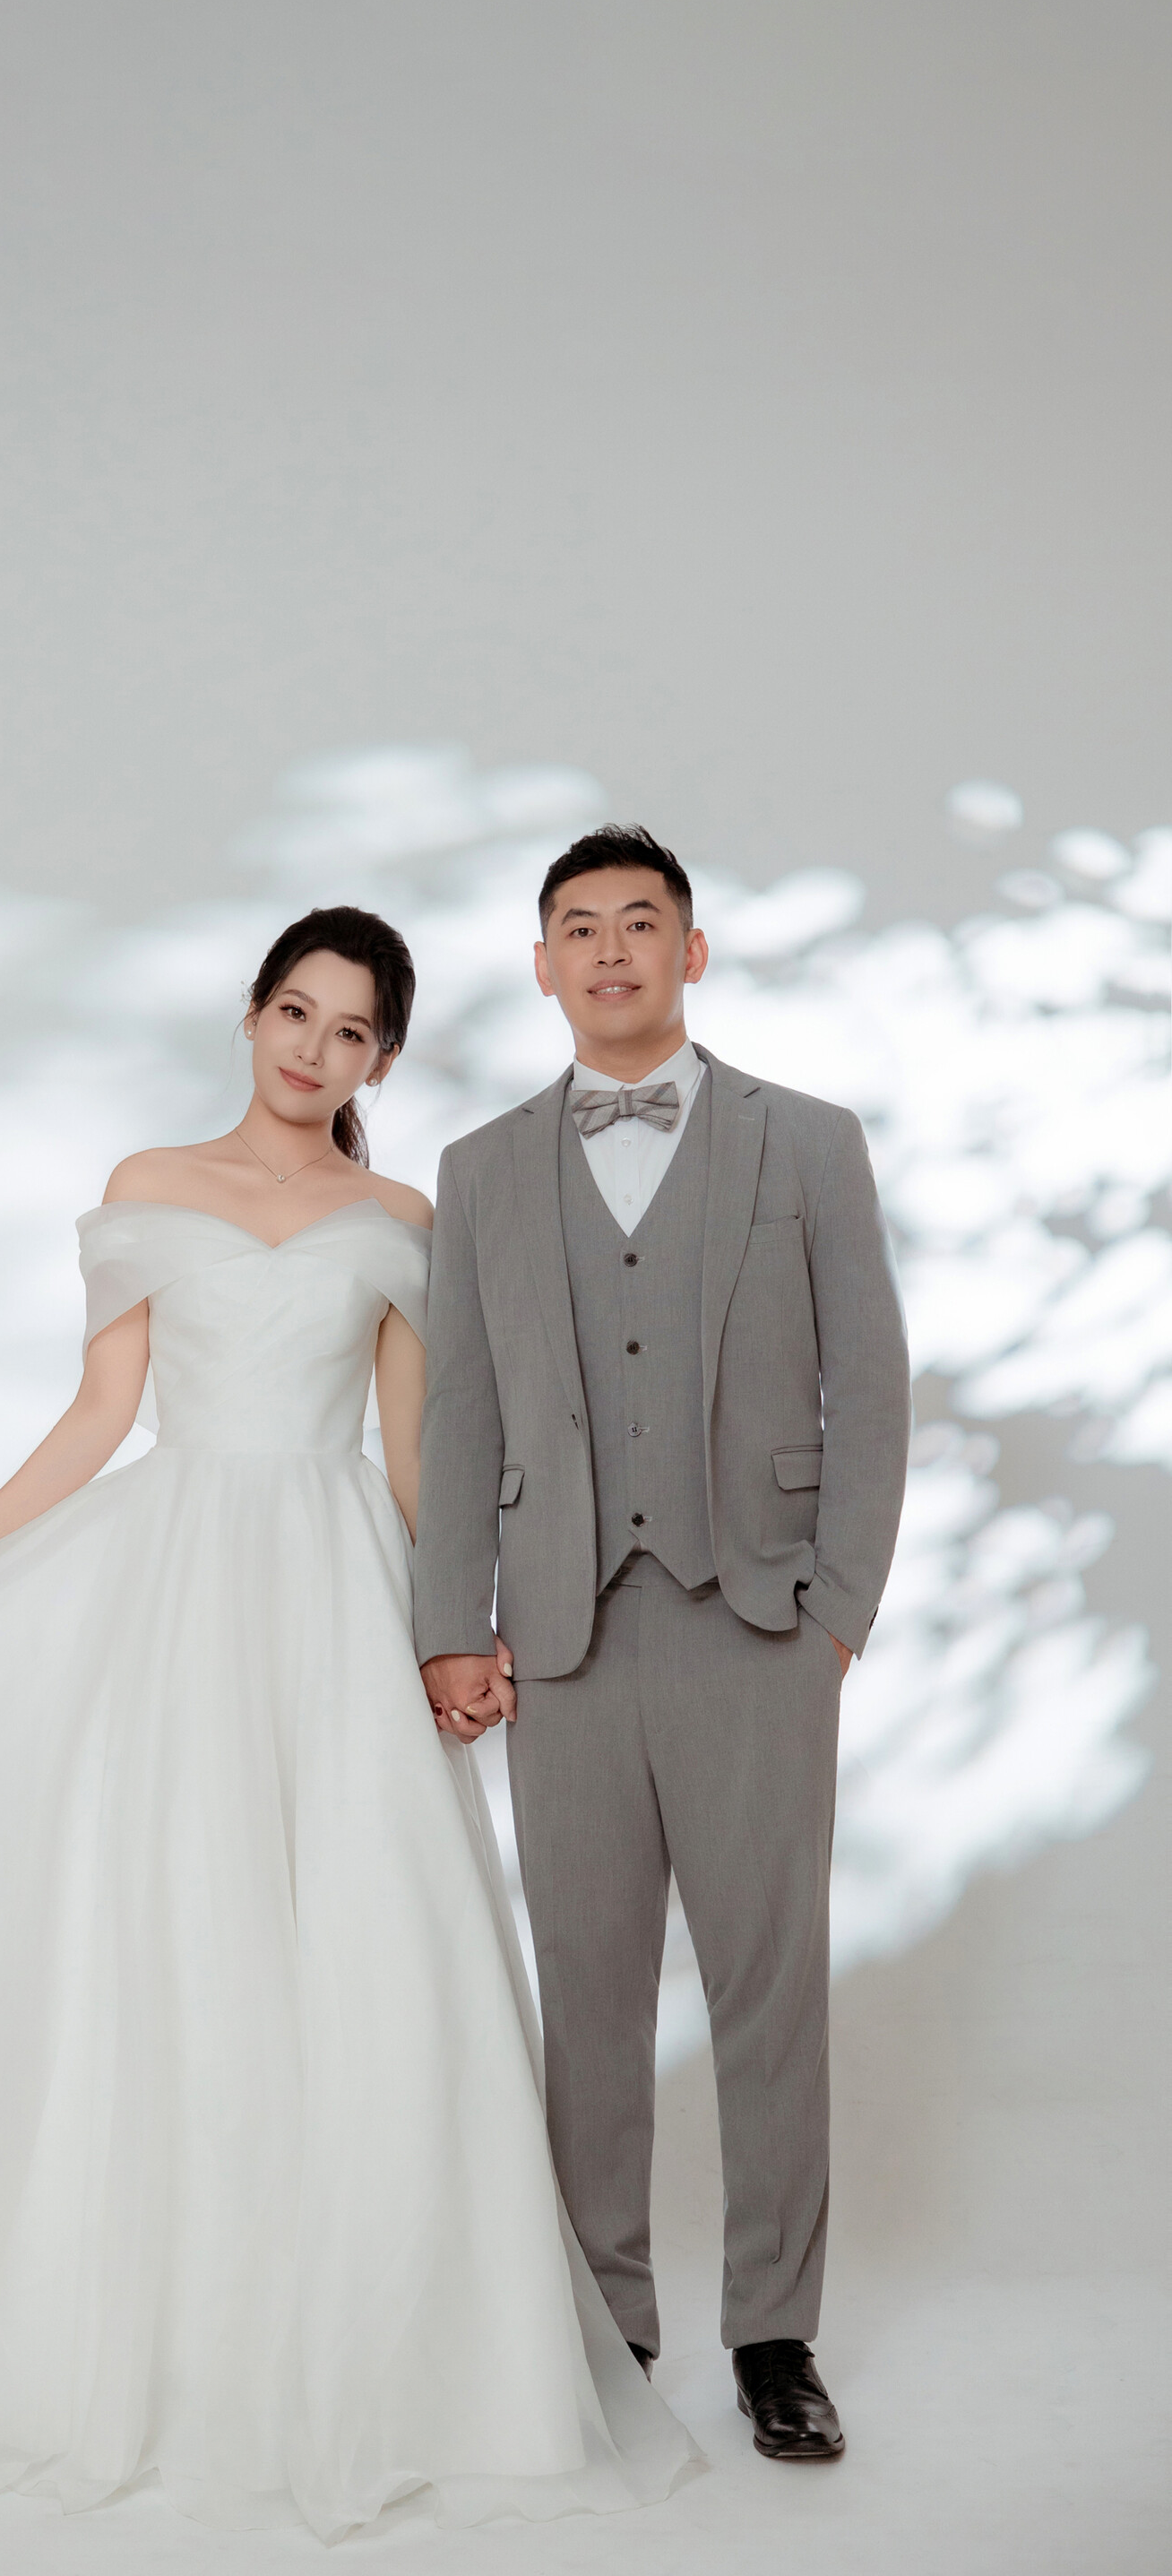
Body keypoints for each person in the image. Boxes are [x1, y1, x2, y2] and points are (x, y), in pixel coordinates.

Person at [0, 903, 698, 2541]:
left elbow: (415, 1455)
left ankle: (386, 2351)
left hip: (333, 1590)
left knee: (365, 1938)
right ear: (252, 1016)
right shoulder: (147, 1186)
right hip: (180, 1591)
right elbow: (102, 1411)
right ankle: (164, 2346)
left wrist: (457, 1631)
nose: (317, 1050)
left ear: (383, 1058)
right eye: (296, 1014)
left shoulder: (400, 1218)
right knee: (168, 1928)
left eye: (353, 1031)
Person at [415, 827, 911, 2464]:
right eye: (581, 927)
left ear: (691, 953)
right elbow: (462, 1408)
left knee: (769, 1988)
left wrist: (837, 1612)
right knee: (588, 1994)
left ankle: (773, 2334)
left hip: (759, 1625)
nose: (612, 948)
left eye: (642, 923)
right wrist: (451, 1624)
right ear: (542, 964)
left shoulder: (809, 1143)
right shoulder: (482, 1170)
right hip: (559, 1635)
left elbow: (871, 1383)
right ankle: (608, 2327)